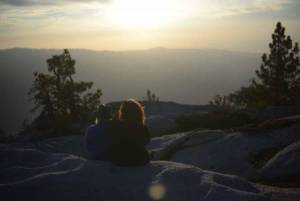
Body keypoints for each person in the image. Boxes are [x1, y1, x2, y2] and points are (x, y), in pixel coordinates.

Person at [108, 99, 150, 166]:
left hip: (118, 159)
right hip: (138, 160)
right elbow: (146, 141)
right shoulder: (141, 127)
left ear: (123, 112)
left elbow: (111, 138)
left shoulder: (116, 125)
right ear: (138, 112)